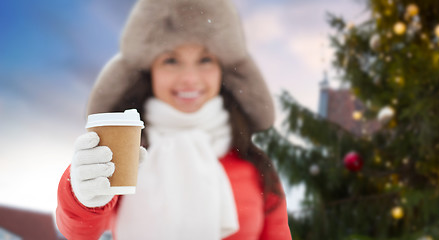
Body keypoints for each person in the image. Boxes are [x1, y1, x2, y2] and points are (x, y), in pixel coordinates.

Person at [55, 0, 292, 239]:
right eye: (171, 60)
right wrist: (81, 192)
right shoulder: (124, 152)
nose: (189, 78)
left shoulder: (256, 166)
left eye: (205, 60)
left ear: (223, 71)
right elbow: (81, 232)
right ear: (150, 72)